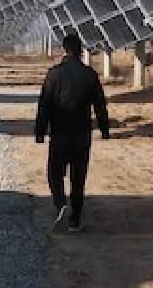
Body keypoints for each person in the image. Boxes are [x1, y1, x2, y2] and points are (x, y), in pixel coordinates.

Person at [35, 33, 110, 233]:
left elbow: (45, 105)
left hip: (59, 134)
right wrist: (104, 129)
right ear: (79, 50)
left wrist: (40, 132)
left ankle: (60, 205)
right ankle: (75, 218)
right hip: (82, 134)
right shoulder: (90, 74)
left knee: (55, 173)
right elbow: (100, 105)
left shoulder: (54, 74)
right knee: (79, 177)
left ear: (64, 50)